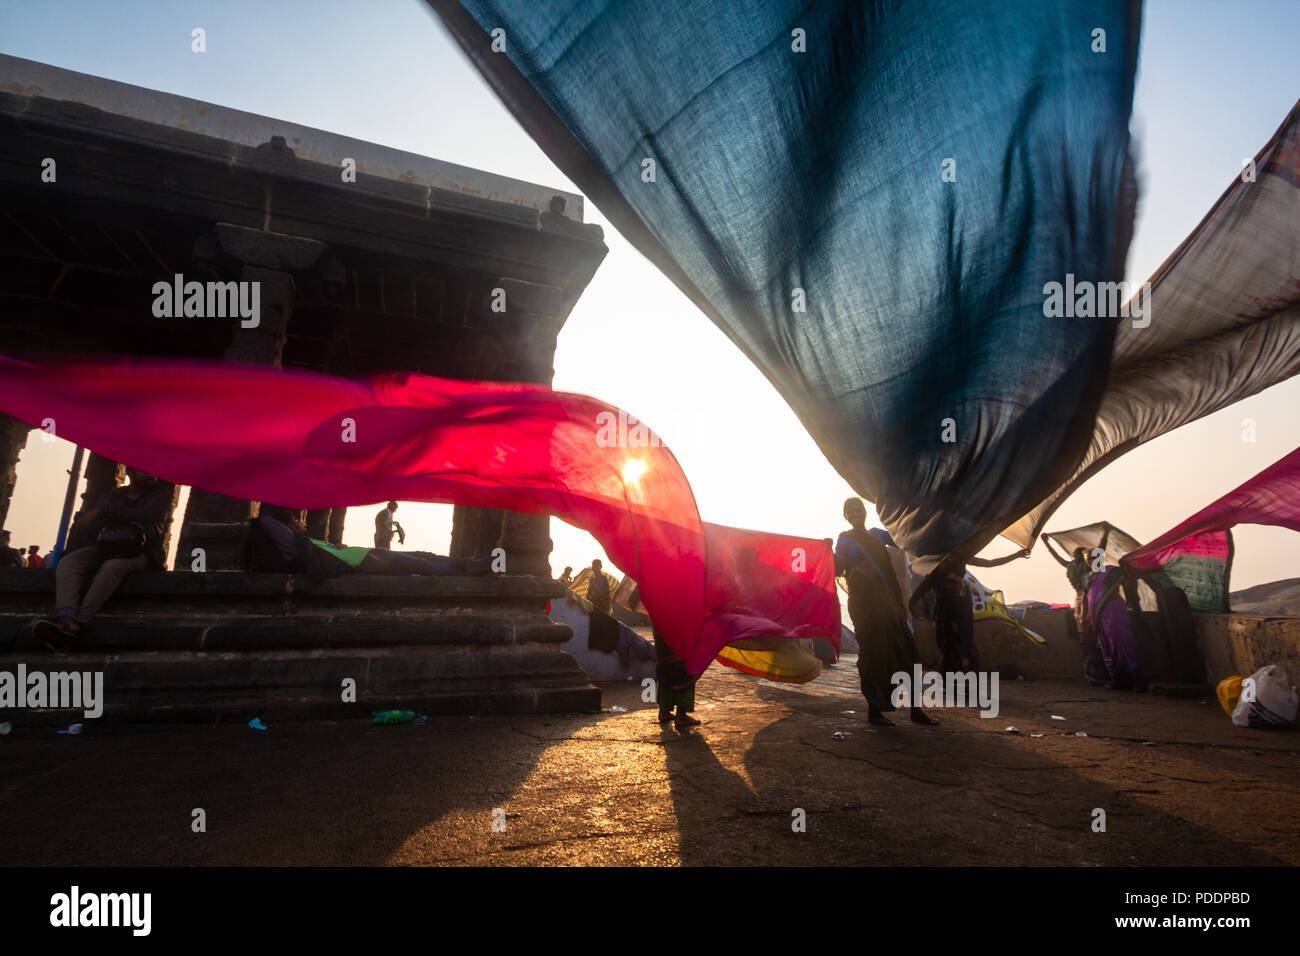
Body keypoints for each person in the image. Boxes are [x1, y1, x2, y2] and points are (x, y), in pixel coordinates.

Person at [34, 469, 172, 648]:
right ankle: (65, 615)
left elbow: (145, 515)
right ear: (129, 471)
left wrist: (102, 511)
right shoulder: (115, 494)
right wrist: (102, 517)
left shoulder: (159, 495)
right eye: (143, 470)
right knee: (70, 562)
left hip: (142, 551)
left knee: (112, 567)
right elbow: (92, 526)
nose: (149, 474)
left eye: (150, 470)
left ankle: (77, 623)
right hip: (108, 546)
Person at [835, 497, 937, 727]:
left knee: (908, 653)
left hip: (890, 604)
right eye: (850, 510)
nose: (855, 512)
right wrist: (828, 553)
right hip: (865, 605)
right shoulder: (845, 539)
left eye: (858, 508)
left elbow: (906, 540)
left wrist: (925, 521)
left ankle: (916, 710)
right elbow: (837, 567)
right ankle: (874, 711)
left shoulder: (877, 535)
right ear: (846, 516)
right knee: (875, 656)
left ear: (864, 511)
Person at [1086, 565, 1146, 691]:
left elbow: (1128, 584)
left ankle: (1137, 680)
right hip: (1098, 615)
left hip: (1114, 610)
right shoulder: (1090, 576)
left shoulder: (1111, 571)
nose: (1091, 560)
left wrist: (1133, 603)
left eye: (1094, 557)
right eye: (1088, 558)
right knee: (1106, 646)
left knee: (1124, 642)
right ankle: (1118, 679)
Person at [652, 624, 700, 729]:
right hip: (682, 626)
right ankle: (681, 716)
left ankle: (664, 711)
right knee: (685, 669)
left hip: (661, 621)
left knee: (665, 666)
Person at [932, 565, 978, 673]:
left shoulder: (962, 594)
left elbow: (967, 624)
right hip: (948, 630)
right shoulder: (943, 598)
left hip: (961, 629)